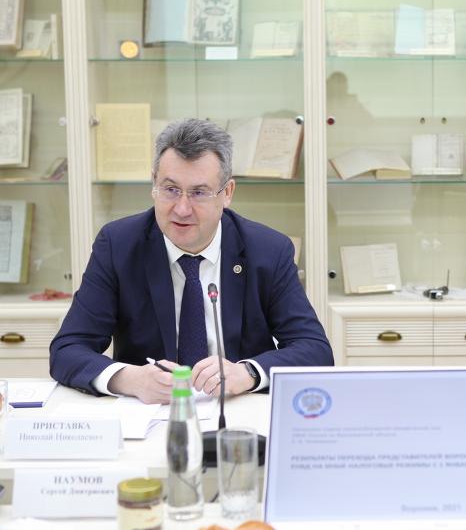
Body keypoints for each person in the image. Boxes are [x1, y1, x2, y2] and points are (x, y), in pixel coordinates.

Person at [50, 119, 333, 403]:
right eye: (170, 189)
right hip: (148, 412)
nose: (182, 209)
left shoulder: (267, 250)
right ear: (154, 184)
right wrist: (130, 379)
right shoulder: (118, 245)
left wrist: (248, 373)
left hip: (237, 409)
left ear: (227, 193)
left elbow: (315, 349)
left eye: (199, 193)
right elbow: (68, 349)